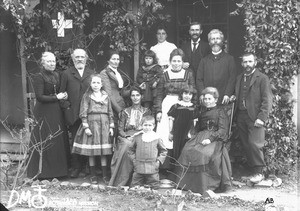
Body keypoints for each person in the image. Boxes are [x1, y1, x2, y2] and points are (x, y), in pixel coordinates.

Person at [175, 87, 232, 194]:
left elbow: (223, 130)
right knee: (187, 149)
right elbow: (198, 128)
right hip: (200, 136)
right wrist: (192, 134)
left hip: (215, 139)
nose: (207, 101)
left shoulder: (221, 112)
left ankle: (205, 185)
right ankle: (188, 184)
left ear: (216, 99)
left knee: (202, 153)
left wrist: (210, 139)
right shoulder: (202, 111)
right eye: (205, 99)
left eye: (209, 99)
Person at [27, 52, 69, 179]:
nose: (52, 64)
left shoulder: (57, 74)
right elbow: (40, 97)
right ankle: (42, 173)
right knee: (45, 139)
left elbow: (58, 92)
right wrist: (57, 97)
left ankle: (58, 172)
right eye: (49, 61)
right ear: (43, 63)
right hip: (43, 112)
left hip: (56, 111)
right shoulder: (39, 76)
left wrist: (63, 96)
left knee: (57, 139)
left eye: (53, 61)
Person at [233, 52, 272, 184]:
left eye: (250, 62)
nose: (247, 65)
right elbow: (239, 93)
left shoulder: (262, 78)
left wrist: (262, 117)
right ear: (242, 63)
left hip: (255, 117)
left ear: (255, 62)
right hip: (241, 116)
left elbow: (267, 100)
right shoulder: (239, 78)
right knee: (246, 144)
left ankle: (259, 173)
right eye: (245, 62)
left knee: (255, 144)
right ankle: (253, 172)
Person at [154, 48, 195, 173]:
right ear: (170, 61)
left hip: (184, 105)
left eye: (179, 61)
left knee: (182, 134)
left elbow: (193, 91)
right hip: (168, 104)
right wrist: (159, 110)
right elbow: (159, 93)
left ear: (182, 62)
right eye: (174, 61)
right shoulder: (164, 74)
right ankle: (166, 167)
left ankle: (180, 166)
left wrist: (193, 108)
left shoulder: (188, 74)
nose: (176, 63)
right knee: (166, 134)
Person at [72, 74, 114, 184]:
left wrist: (111, 126)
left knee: (103, 151)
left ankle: (105, 175)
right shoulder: (87, 96)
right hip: (91, 123)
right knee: (91, 151)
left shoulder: (106, 96)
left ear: (101, 84)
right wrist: (86, 126)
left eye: (98, 83)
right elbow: (83, 112)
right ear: (90, 84)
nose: (96, 85)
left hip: (104, 124)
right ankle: (93, 175)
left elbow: (110, 112)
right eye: (94, 83)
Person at [59, 48, 95, 178]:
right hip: (73, 114)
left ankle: (87, 167)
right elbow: (61, 94)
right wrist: (67, 108)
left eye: (82, 57)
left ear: (86, 58)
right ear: (73, 59)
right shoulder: (67, 74)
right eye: (77, 57)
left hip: (89, 114)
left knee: (88, 140)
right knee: (75, 141)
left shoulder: (91, 74)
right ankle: (75, 167)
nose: (80, 59)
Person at [109, 86, 151, 186]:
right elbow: (120, 128)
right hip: (126, 136)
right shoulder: (125, 112)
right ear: (130, 97)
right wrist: (126, 136)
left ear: (141, 96)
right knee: (127, 146)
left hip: (141, 135)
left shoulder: (146, 111)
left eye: (137, 95)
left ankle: (137, 181)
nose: (135, 97)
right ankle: (120, 181)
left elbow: (149, 127)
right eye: (133, 95)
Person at [196, 29, 237, 104]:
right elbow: (199, 80)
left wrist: (227, 94)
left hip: (224, 99)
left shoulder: (229, 59)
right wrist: (202, 94)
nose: (215, 41)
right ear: (209, 42)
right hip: (207, 99)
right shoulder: (204, 61)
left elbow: (232, 78)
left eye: (217, 38)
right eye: (212, 39)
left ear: (222, 41)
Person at [128, 115, 167, 188]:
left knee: (154, 185)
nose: (147, 127)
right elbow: (130, 150)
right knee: (135, 185)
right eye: (145, 125)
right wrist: (133, 160)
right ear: (141, 125)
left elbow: (163, 151)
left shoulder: (157, 137)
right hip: (139, 166)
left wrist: (158, 161)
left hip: (152, 167)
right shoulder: (137, 137)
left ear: (154, 126)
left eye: (150, 125)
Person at [99, 50, 131, 139]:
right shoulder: (104, 73)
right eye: (113, 59)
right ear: (108, 61)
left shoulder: (118, 72)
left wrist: (134, 90)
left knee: (121, 130)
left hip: (121, 103)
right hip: (112, 105)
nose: (116, 61)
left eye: (118, 59)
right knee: (114, 130)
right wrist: (118, 110)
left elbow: (122, 92)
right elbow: (108, 93)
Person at [167, 85, 197, 161]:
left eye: (190, 94)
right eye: (185, 93)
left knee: (186, 149)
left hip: (188, 132)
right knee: (176, 149)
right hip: (177, 132)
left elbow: (194, 122)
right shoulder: (176, 106)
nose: (187, 96)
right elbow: (171, 120)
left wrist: (192, 133)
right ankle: (176, 168)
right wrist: (171, 132)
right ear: (181, 94)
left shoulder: (194, 107)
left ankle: (184, 168)